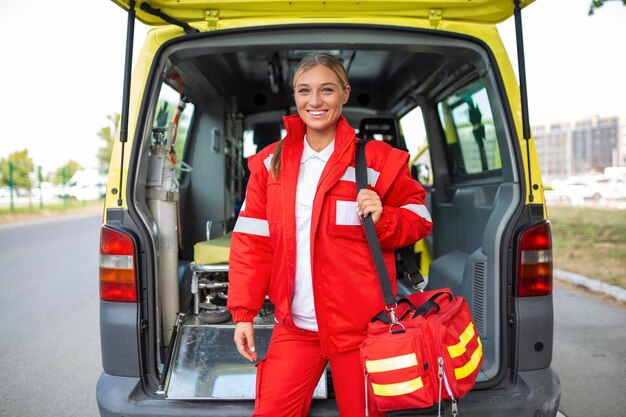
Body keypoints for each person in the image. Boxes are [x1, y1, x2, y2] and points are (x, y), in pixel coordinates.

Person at [227, 52, 432, 417]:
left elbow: (420, 218)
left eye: (327, 90)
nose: (315, 101)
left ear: (345, 93)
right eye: (304, 91)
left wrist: (384, 217)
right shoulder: (269, 164)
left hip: (361, 330)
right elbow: (252, 244)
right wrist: (243, 313)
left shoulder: (379, 160)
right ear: (295, 96)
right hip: (296, 327)